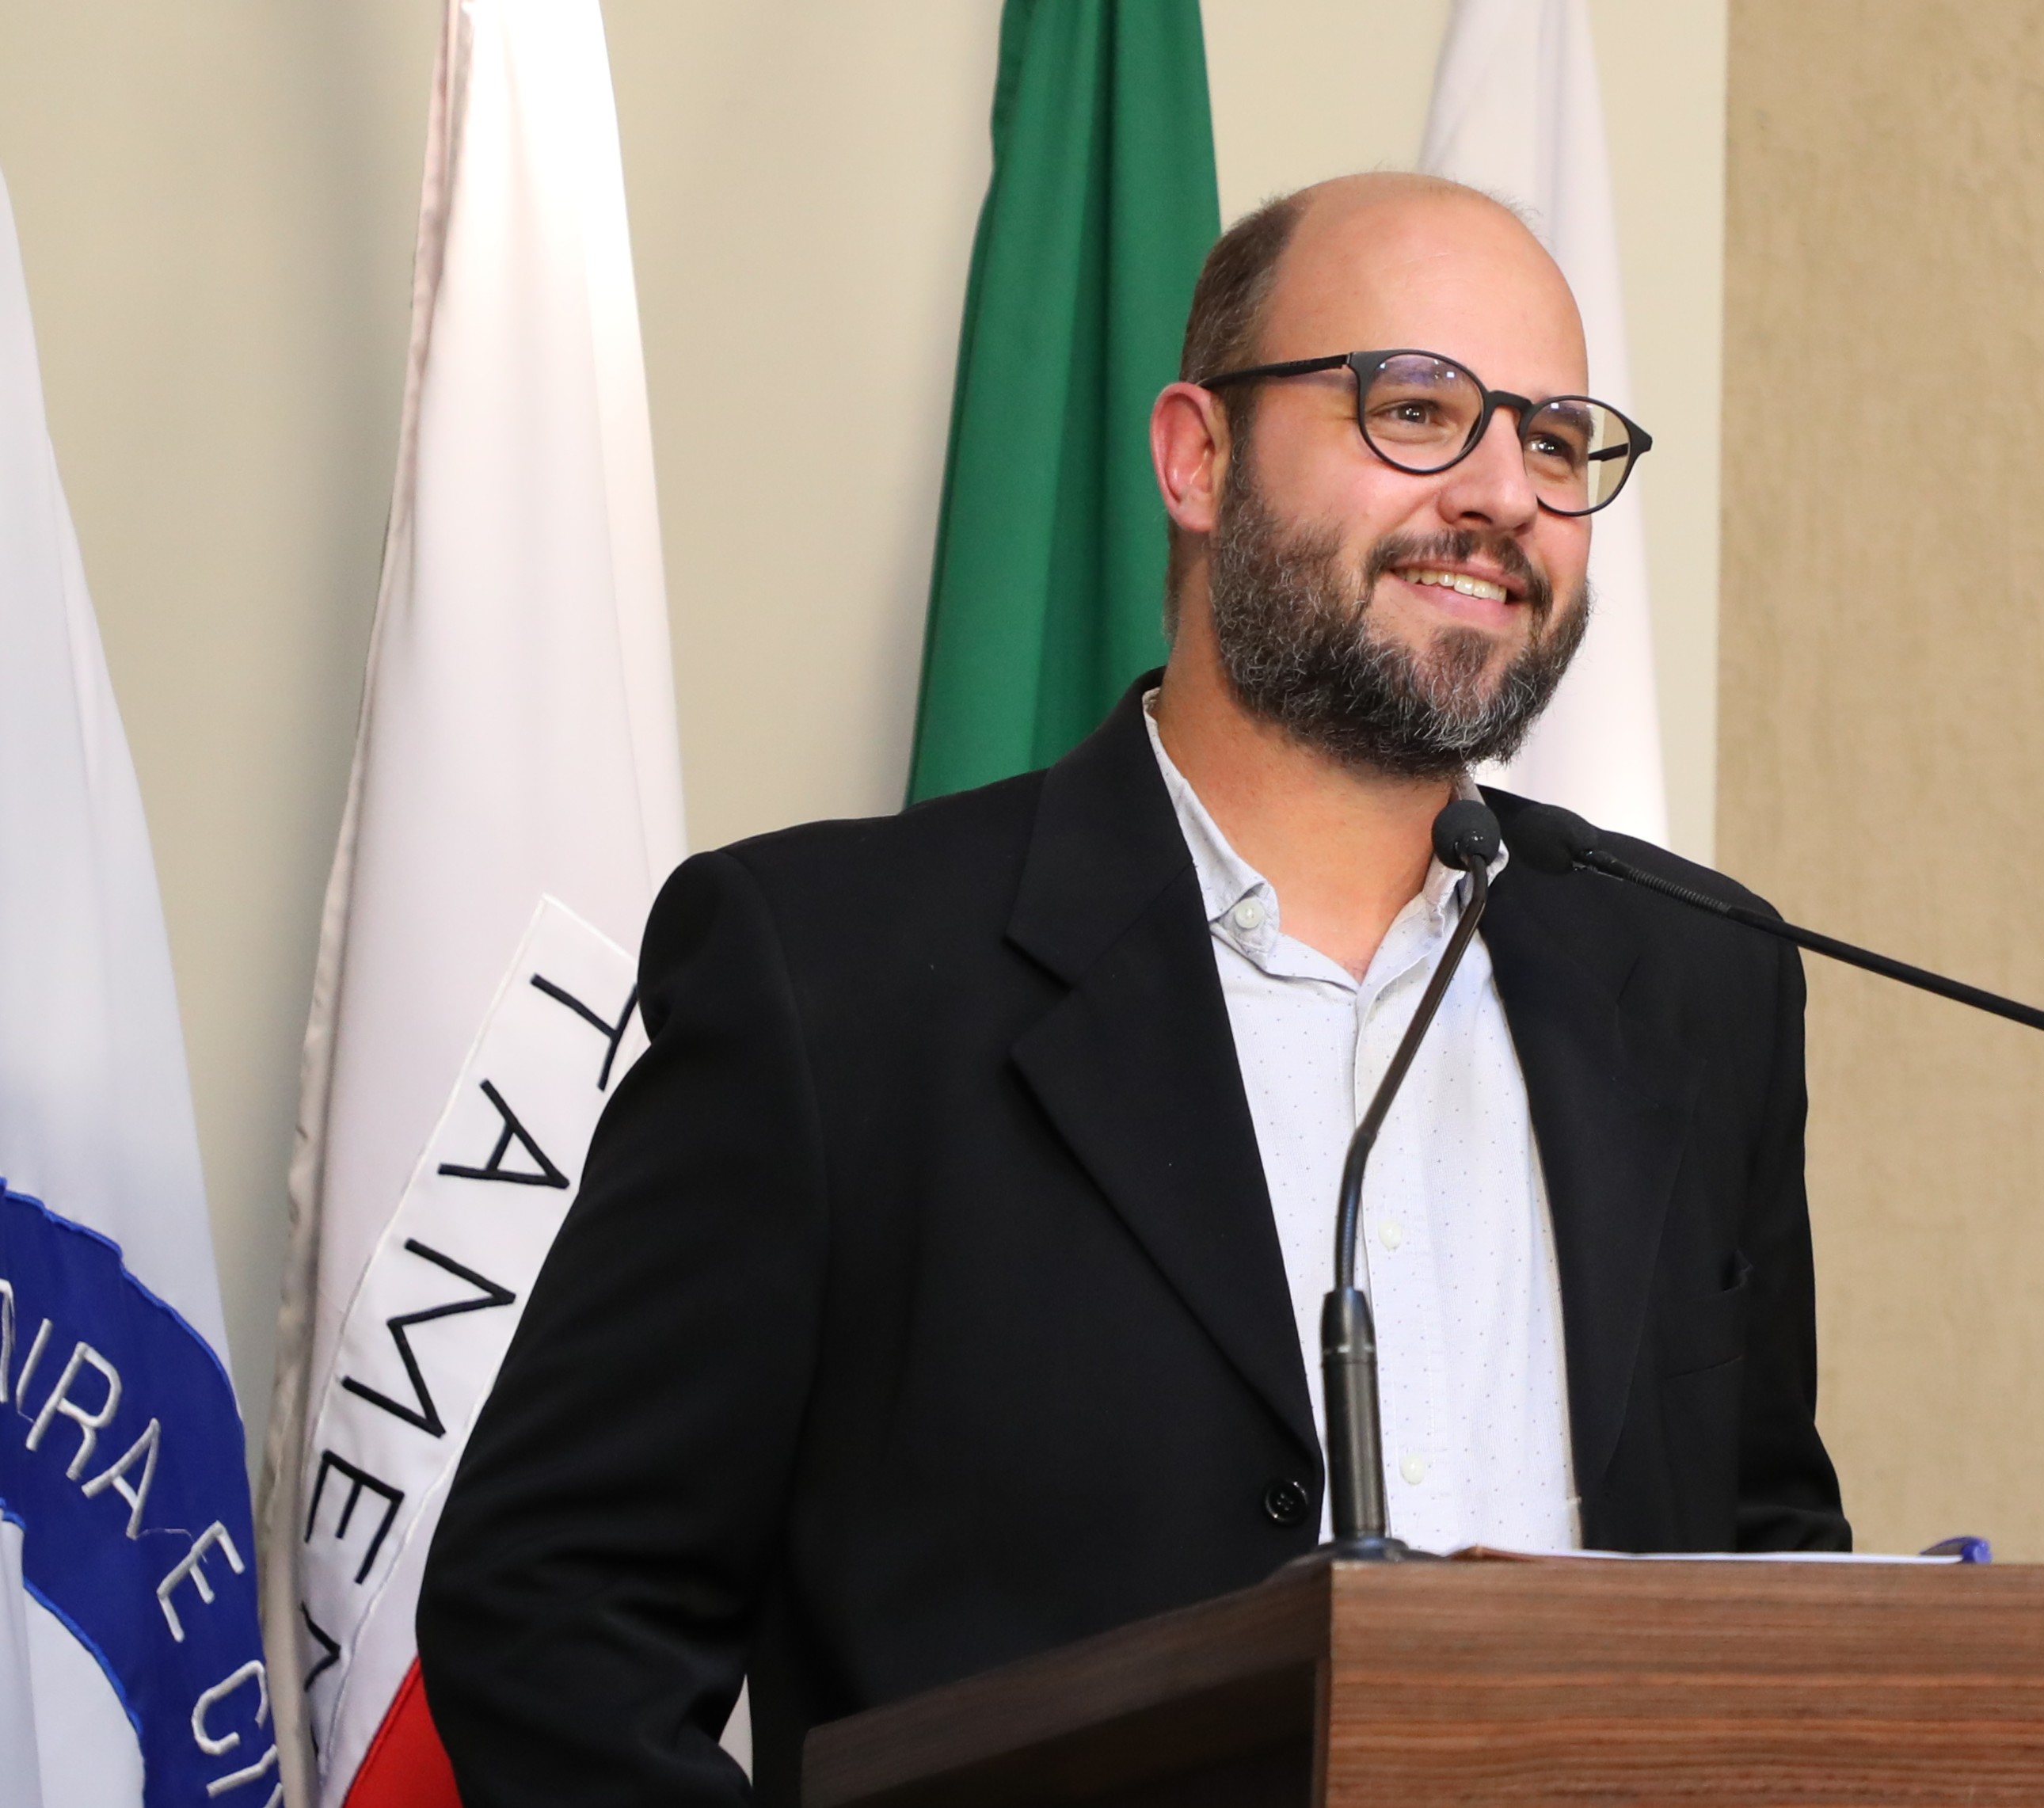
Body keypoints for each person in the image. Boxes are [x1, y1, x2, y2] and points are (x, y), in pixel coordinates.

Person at [419, 172, 1848, 1806]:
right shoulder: (830, 974)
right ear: (1196, 457)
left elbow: (1767, 1563)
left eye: (1555, 441)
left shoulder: (1699, 981)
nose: (1502, 493)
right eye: (1415, 409)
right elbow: (551, 1620)